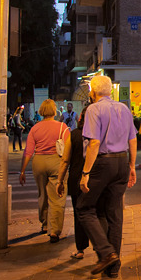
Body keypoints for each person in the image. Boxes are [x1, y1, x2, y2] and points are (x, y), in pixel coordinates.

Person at [77, 74, 138, 277]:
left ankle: (106, 253)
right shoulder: (124, 108)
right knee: (114, 213)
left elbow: (94, 142)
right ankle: (113, 267)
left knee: (85, 208)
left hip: (103, 162)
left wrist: (85, 172)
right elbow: (133, 140)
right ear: (110, 90)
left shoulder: (93, 109)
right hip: (121, 161)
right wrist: (131, 165)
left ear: (93, 92)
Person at [19, 99, 70, 242]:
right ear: (54, 111)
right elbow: (68, 149)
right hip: (56, 162)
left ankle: (45, 224)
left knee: (42, 194)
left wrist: (22, 171)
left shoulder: (35, 128)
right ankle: (54, 231)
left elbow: (28, 151)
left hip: (39, 161)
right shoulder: (62, 127)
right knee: (57, 196)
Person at [57, 105, 90, 260]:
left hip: (77, 178)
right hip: (94, 179)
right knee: (97, 212)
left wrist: (60, 181)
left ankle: (81, 248)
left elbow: (65, 160)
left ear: (80, 119)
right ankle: (100, 247)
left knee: (79, 214)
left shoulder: (74, 134)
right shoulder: (99, 135)